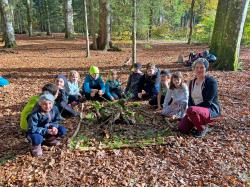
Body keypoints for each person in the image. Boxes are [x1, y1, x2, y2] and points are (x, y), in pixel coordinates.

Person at [179, 58, 221, 138]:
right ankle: (196, 120)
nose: (199, 70)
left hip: (209, 110)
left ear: (206, 68)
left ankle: (202, 128)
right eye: (197, 67)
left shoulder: (211, 82)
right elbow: (190, 100)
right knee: (182, 129)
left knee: (191, 110)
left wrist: (191, 111)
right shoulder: (191, 83)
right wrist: (190, 113)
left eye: (202, 67)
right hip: (194, 111)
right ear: (194, 69)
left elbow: (208, 102)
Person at [27, 92, 67, 157]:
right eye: (44, 104)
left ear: (52, 103)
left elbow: (56, 120)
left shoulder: (54, 109)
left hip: (48, 128)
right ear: (40, 104)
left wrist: (54, 127)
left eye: (50, 103)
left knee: (62, 130)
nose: (48, 106)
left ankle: (49, 140)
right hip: (37, 131)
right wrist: (46, 131)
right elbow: (32, 128)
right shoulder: (35, 114)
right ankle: (35, 147)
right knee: (37, 139)